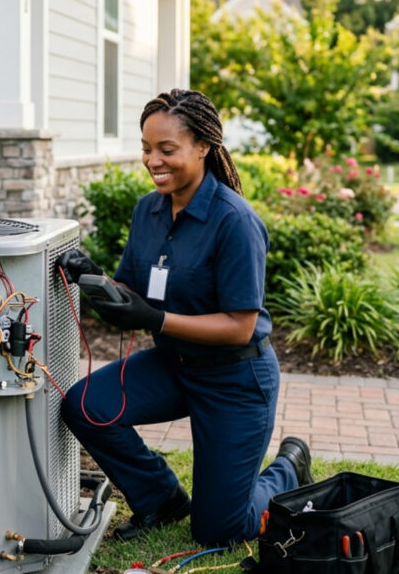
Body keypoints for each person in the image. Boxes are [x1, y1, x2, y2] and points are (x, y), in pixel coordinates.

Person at [57, 89, 313, 547]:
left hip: (235, 379)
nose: (153, 160)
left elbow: (240, 324)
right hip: (175, 365)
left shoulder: (234, 220)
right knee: (86, 406)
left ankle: (288, 467)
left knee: (221, 530)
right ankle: (161, 497)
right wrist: (93, 280)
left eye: (167, 149)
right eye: (146, 148)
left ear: (203, 147)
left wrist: (155, 319)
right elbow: (133, 290)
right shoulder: (148, 210)